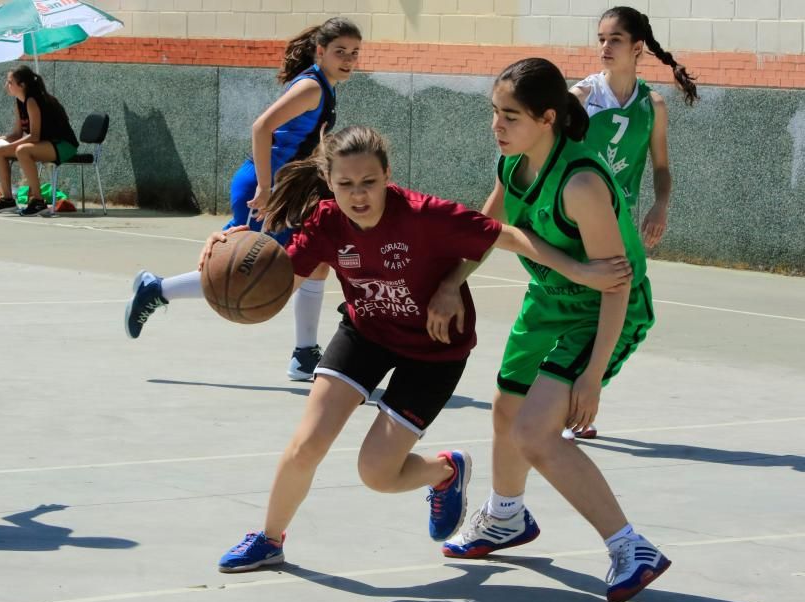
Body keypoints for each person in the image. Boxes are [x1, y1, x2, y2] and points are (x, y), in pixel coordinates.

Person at [204, 125, 633, 573]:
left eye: (369, 182)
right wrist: (222, 253)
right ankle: (270, 539)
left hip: (434, 350)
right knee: (306, 443)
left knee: (376, 473)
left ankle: (445, 472)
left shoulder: (426, 216)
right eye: (346, 184)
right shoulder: (326, 222)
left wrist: (580, 271)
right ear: (329, 182)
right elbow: (274, 282)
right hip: (365, 335)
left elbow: (507, 235)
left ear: (387, 174)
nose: (359, 195)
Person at [435, 58, 669, 602]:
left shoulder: (580, 183)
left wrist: (592, 377)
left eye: (509, 116)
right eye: (494, 113)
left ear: (547, 118)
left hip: (603, 311)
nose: (497, 125)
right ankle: (506, 517)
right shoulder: (511, 164)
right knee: (504, 409)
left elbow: (614, 283)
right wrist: (451, 284)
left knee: (537, 433)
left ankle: (630, 546)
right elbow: (486, 231)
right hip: (549, 302)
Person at [124, 18, 363, 382]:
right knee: (241, 270)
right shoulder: (313, 87)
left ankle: (304, 354)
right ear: (321, 51)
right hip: (265, 188)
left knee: (316, 262)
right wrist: (265, 190)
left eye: (354, 53)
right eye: (340, 51)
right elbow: (261, 127)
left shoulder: (325, 86)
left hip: (288, 190)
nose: (348, 59)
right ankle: (156, 290)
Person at [565, 5, 698, 440]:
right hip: (578, 226)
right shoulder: (581, 98)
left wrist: (660, 205)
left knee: (624, 319)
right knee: (592, 316)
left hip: (619, 229)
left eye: (615, 39)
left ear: (637, 47)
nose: (604, 46)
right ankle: (566, 404)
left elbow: (661, 166)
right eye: (601, 38)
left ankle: (577, 402)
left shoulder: (652, 104)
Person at [0, 65, 78, 216]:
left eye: (10, 82)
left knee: (22, 150)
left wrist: (11, 146)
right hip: (45, 144)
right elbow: (17, 134)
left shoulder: (32, 101)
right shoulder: (19, 102)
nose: (6, 86)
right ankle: (8, 200)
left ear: (22, 85)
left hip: (63, 145)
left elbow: (34, 136)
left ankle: (38, 202)